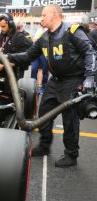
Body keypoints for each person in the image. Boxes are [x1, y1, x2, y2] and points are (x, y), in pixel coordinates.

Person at [6, 4, 96, 167]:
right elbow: (27, 56)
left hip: (73, 80)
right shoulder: (44, 37)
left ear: (55, 14)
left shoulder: (72, 31)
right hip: (55, 81)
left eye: (43, 15)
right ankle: (44, 146)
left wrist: (89, 78)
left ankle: (71, 155)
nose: (41, 19)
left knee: (70, 119)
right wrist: (5, 57)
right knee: (44, 111)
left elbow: (90, 53)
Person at [0, 13, 31, 79]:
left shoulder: (19, 37)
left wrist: (3, 66)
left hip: (14, 75)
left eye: (3, 26)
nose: (1, 29)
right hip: (1, 74)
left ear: (11, 24)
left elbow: (22, 60)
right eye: (0, 26)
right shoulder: (1, 36)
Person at [31, 23, 48, 94]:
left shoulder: (48, 30)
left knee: (45, 70)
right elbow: (34, 40)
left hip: (45, 52)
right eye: (41, 21)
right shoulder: (38, 30)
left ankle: (43, 88)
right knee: (34, 69)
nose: (42, 22)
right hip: (36, 52)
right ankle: (33, 87)